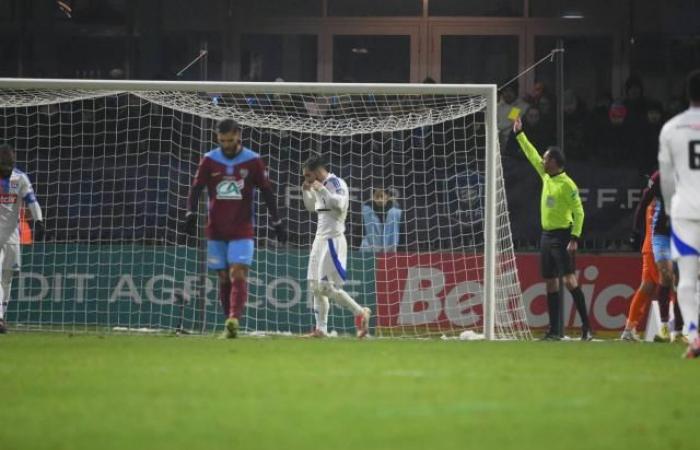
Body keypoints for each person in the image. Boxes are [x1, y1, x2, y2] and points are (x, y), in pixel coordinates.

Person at [183, 119, 287, 339]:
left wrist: (277, 221)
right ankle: (228, 324)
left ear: (238, 135)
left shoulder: (252, 160)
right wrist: (190, 213)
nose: (226, 144)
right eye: (222, 140)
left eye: (230, 140)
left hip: (242, 228)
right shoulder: (210, 160)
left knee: (237, 271)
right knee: (223, 277)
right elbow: (196, 189)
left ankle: (234, 318)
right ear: (217, 138)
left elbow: (267, 192)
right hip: (216, 229)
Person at [512, 117, 591, 340]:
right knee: (550, 281)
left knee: (569, 280)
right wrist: (519, 134)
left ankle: (587, 327)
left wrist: (574, 237)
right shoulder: (546, 176)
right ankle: (555, 330)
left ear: (555, 161)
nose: (543, 161)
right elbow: (531, 154)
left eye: (546, 159)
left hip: (563, 235)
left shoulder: (568, 185)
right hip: (546, 235)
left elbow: (580, 212)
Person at [301, 155, 371, 338]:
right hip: (319, 240)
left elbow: (340, 206)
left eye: (308, 176)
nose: (307, 179)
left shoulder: (335, 182)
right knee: (315, 287)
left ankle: (360, 313)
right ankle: (320, 329)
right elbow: (312, 208)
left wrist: (322, 190)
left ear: (317, 172)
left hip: (333, 239)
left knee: (325, 287)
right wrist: (306, 191)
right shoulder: (319, 186)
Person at [658, 69, 700, 358]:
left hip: (685, 209)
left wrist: (671, 208)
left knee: (686, 276)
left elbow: (666, 179)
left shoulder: (671, 128)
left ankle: (695, 335)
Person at [0, 145, 44, 334]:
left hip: (11, 236)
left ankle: (2, 315)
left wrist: (39, 221)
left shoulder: (20, 178)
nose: (6, 169)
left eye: (9, 166)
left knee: (7, 278)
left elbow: (32, 201)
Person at [360, 188, 401, 252]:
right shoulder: (367, 209)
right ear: (373, 197)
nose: (379, 200)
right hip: (371, 246)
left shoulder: (394, 209)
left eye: (381, 196)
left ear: (387, 197)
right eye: (377, 197)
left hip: (390, 247)